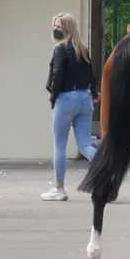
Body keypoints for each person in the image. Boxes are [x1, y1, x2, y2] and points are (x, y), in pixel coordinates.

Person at [42, 13, 96, 201]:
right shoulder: (83, 49)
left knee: (59, 146)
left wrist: (52, 96)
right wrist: (94, 95)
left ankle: (59, 188)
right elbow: (91, 75)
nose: (55, 28)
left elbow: (56, 76)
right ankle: (105, 171)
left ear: (67, 28)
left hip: (65, 99)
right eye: (55, 24)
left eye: (58, 25)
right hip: (84, 98)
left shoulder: (60, 49)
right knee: (85, 145)